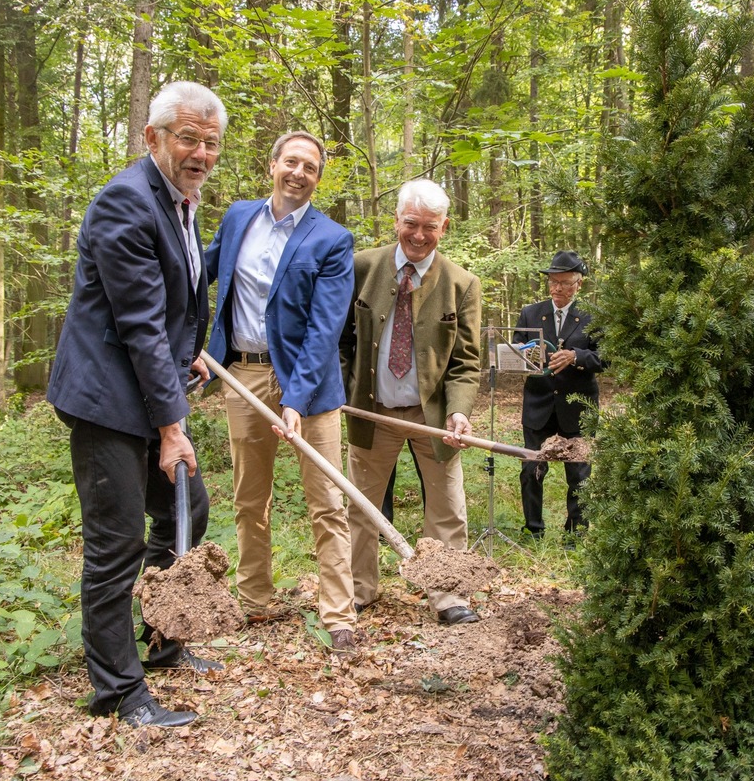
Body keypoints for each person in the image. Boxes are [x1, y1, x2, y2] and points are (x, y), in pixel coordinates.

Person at [47, 81, 225, 728]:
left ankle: (161, 638)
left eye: (210, 142)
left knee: (188, 512)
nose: (200, 152)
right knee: (116, 544)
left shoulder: (179, 201)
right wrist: (172, 427)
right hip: (106, 404)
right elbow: (138, 324)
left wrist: (190, 354)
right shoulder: (127, 201)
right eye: (187, 138)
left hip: (146, 392)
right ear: (153, 138)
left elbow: (170, 312)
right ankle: (120, 693)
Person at [203, 131, 358, 654]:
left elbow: (324, 328)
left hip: (310, 387)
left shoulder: (332, 239)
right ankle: (256, 599)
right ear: (272, 165)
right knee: (250, 497)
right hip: (241, 376)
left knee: (326, 500)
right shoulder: (237, 217)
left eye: (310, 167)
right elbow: (198, 273)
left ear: (318, 178)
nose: (298, 172)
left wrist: (295, 398)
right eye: (290, 162)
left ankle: (338, 612)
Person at [341, 178, 483, 626]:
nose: (419, 235)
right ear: (396, 220)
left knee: (447, 506)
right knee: (360, 505)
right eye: (411, 224)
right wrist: (342, 392)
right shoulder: (360, 267)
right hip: (372, 411)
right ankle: (358, 590)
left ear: (444, 227)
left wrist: (458, 411)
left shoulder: (462, 283)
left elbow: (465, 362)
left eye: (430, 227)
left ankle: (449, 595)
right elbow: (339, 341)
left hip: (433, 417)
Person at [513, 250, 602, 542]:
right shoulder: (530, 312)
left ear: (579, 284)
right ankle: (533, 530)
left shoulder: (593, 316)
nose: (556, 288)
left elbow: (607, 358)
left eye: (564, 282)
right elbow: (514, 351)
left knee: (578, 474)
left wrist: (576, 356)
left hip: (577, 406)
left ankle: (575, 534)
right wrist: (529, 357)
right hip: (538, 405)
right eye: (552, 282)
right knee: (531, 470)